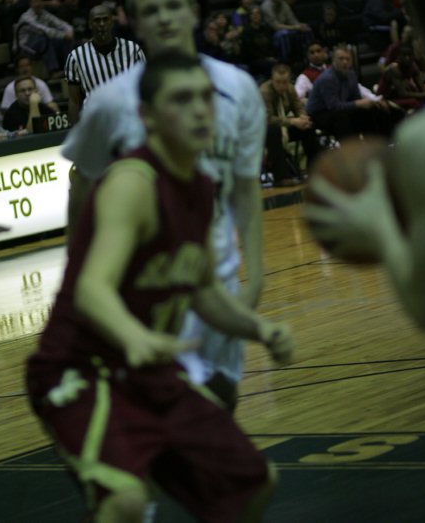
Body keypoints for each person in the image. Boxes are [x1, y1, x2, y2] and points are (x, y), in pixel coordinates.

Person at [27, 53, 293, 523]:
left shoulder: (201, 184)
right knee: (125, 501)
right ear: (147, 116)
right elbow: (92, 288)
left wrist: (259, 327)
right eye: (181, 99)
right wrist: (136, 337)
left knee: (253, 483)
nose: (199, 110)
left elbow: (203, 291)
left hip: (147, 371)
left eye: (205, 99)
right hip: (82, 368)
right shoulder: (132, 181)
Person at [62, 0, 266, 410]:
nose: (165, 18)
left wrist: (257, 276)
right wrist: (77, 277)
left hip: (216, 281)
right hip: (141, 290)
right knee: (162, 425)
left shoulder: (238, 87)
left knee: (219, 408)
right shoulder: (109, 102)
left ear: (194, 12)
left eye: (174, 6)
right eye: (150, 11)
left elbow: (246, 188)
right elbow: (81, 184)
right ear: (133, 24)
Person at [304, 0, 425, 331]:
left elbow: (424, 305)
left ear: (421, 33)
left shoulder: (422, 139)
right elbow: (329, 110)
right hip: (324, 119)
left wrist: (379, 228)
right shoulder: (327, 80)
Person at [65, 5, 145, 124]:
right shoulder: (76, 57)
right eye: (97, 20)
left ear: (112, 22)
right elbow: (74, 101)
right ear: (90, 24)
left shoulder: (133, 50)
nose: (102, 24)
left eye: (105, 19)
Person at [306, 45, 393, 140]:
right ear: (333, 61)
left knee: (372, 110)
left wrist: (371, 102)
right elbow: (334, 107)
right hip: (319, 113)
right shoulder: (328, 78)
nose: (345, 62)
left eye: (348, 59)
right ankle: (350, 150)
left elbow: (356, 97)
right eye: (341, 59)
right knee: (342, 118)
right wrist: (358, 104)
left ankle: (380, 143)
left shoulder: (351, 74)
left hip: (338, 109)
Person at [260, 63, 321, 185]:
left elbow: (298, 106)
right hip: (262, 130)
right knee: (273, 131)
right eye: (278, 82)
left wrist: (303, 117)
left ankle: (315, 171)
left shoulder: (290, 88)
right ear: (272, 80)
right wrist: (293, 121)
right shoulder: (264, 91)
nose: (282, 86)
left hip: (282, 125)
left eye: (285, 82)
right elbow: (268, 119)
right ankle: (281, 177)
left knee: (308, 127)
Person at [15, 0, 74, 75]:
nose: (38, 4)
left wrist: (69, 31)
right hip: (25, 47)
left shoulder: (44, 13)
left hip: (39, 42)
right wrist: (64, 35)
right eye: (35, 1)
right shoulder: (26, 17)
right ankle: (53, 71)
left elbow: (62, 24)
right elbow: (44, 30)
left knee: (64, 41)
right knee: (45, 39)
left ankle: (70, 69)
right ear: (30, 4)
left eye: (40, 1)